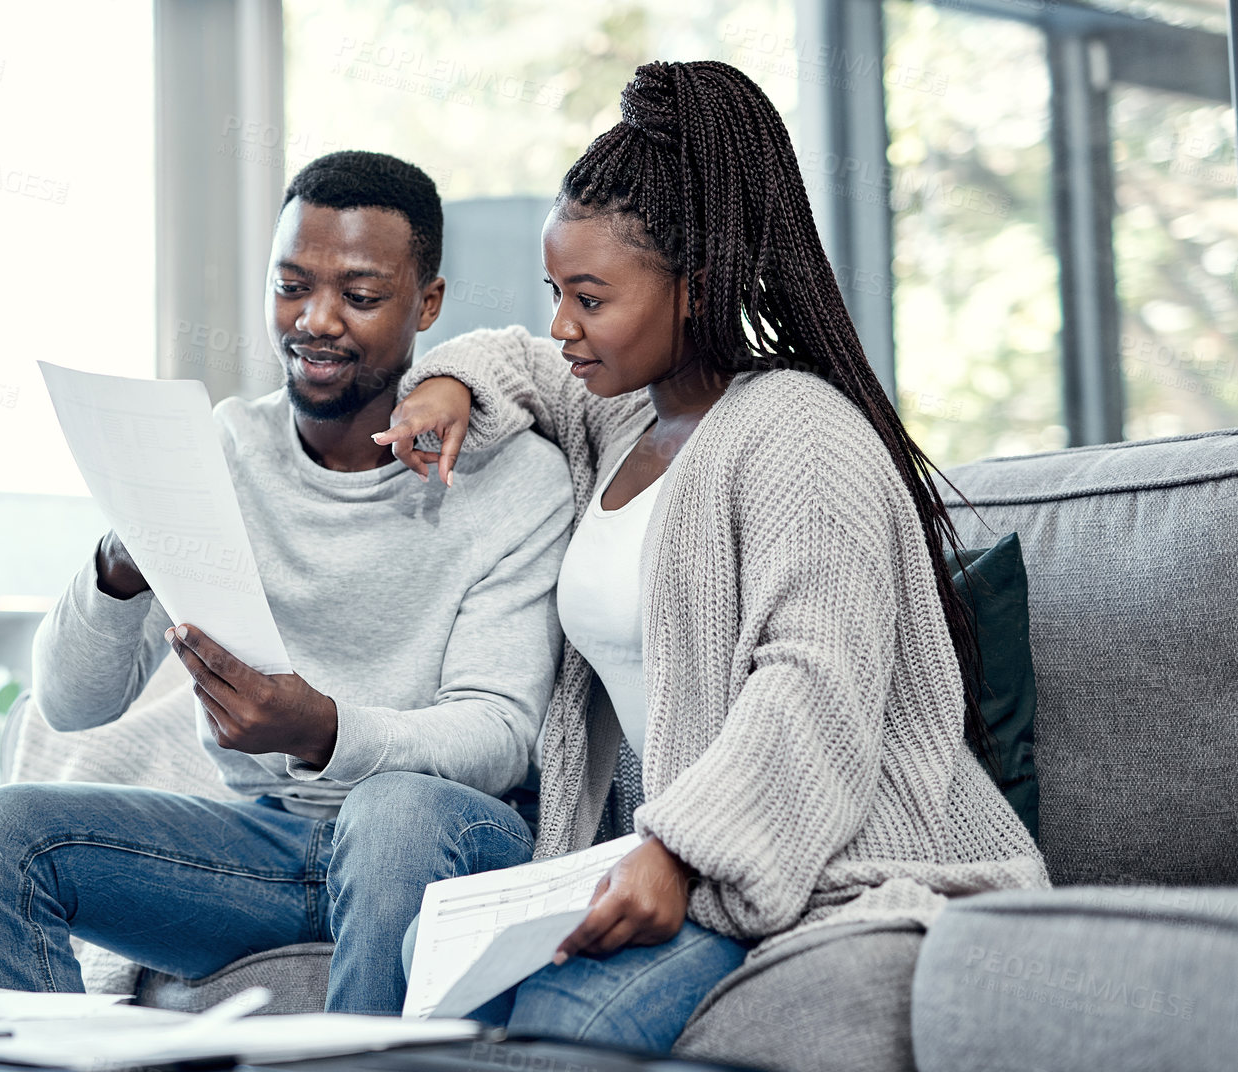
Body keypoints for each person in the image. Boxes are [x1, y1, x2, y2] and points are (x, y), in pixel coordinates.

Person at [376, 61, 1048, 1051]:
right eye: (555, 291)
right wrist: (441, 385)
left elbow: (813, 680)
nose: (564, 325)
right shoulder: (615, 413)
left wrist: (677, 852)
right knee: (430, 976)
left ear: (693, 287)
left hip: (830, 868)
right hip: (661, 863)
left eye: (590, 298)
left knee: (553, 1025)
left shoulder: (798, 433)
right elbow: (516, 357)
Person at [0, 151, 577, 1015]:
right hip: (263, 847)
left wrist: (323, 730)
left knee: (391, 814)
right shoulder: (220, 450)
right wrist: (119, 566)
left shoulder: (515, 482)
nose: (315, 321)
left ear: (426, 304)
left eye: (358, 295)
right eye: (289, 286)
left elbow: (499, 732)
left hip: (445, 839)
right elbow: (69, 705)